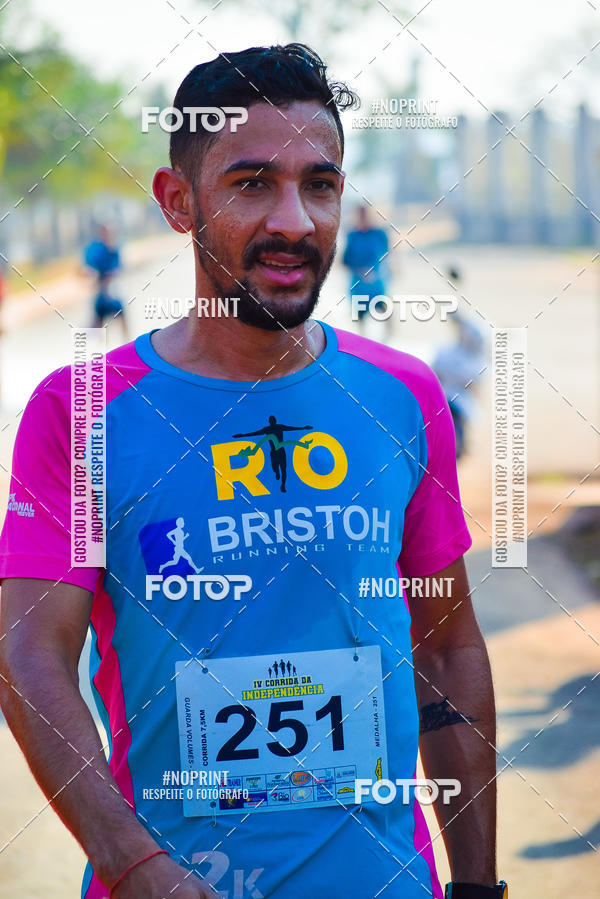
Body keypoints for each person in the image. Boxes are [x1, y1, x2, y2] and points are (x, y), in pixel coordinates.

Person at [0, 45, 506, 899]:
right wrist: (138, 867)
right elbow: (30, 654)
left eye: (320, 184)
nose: (295, 221)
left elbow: (448, 648)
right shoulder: (81, 409)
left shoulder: (401, 396)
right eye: (250, 183)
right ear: (177, 201)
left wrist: (480, 885)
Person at [342, 204, 390, 333]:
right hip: (358, 283)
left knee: (384, 309)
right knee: (360, 316)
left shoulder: (378, 234)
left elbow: (386, 253)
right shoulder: (352, 236)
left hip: (376, 281)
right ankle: (363, 340)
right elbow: (345, 260)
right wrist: (360, 271)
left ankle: (388, 339)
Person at [83, 223, 128, 337]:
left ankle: (126, 344)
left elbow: (119, 267)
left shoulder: (114, 248)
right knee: (99, 321)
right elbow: (87, 268)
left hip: (112, 291)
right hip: (100, 291)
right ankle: (98, 348)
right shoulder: (94, 249)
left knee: (122, 316)